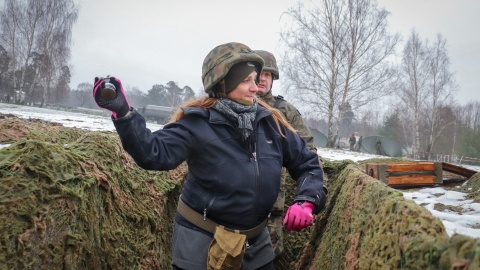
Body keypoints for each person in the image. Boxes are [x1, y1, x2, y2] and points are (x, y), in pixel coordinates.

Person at [92, 42, 327, 270]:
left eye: (255, 80)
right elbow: (153, 153)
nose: (255, 87)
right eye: (246, 80)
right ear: (224, 83)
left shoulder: (271, 122)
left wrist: (306, 200)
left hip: (256, 244)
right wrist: (123, 113)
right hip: (202, 241)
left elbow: (307, 163)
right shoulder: (197, 122)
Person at [254, 49, 317, 258]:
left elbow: (308, 154)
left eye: (268, 74)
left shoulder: (286, 112)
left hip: (270, 210)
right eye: (259, 72)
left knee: (267, 258)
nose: (262, 79)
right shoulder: (232, 105)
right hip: (227, 209)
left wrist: (306, 199)